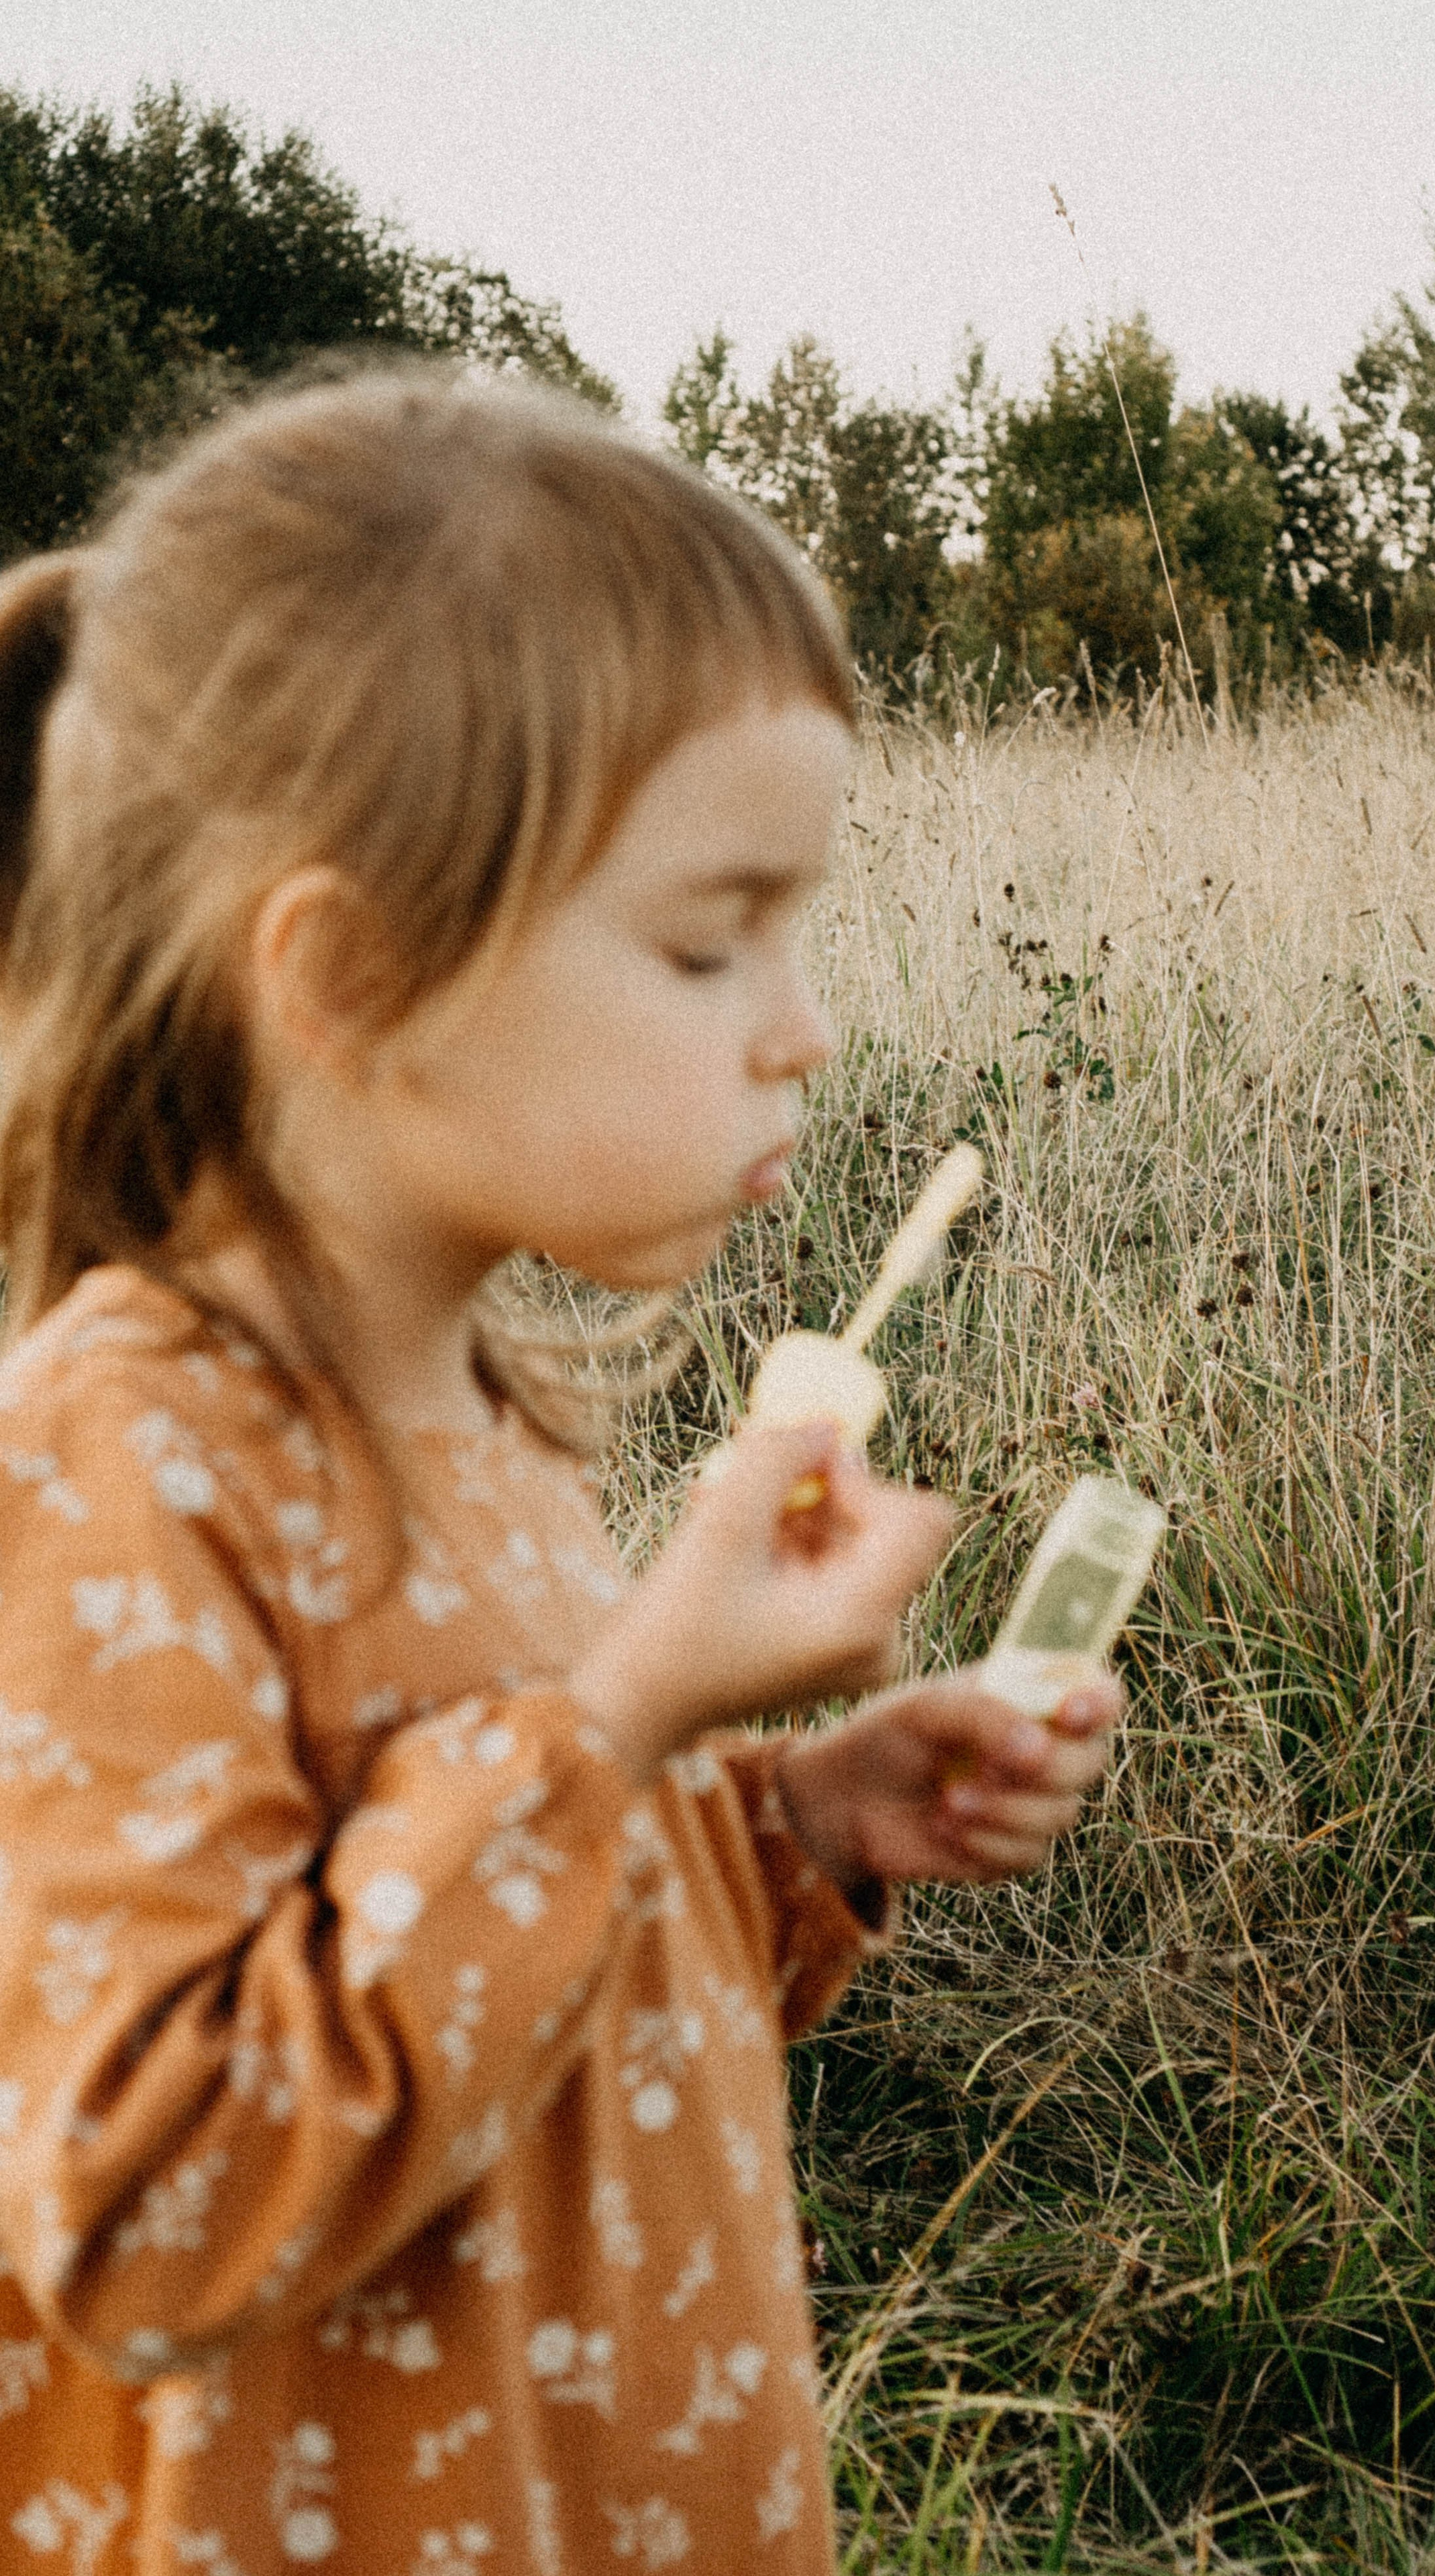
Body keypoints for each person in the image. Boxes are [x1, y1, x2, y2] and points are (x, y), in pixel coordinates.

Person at [0, 370, 1120, 2575]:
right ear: (348, 973)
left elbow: (499, 1946)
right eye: (710, 940)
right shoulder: (113, 1460)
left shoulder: (485, 1413)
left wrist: (783, 1819)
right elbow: (140, 2214)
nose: (798, 1023)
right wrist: (614, 1728)